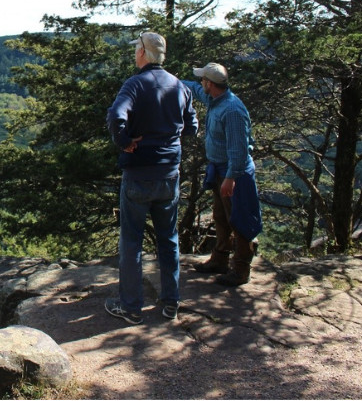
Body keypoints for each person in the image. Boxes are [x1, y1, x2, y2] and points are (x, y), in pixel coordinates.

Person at [105, 32, 198, 325]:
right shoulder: (180, 86)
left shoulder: (134, 84)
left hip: (139, 174)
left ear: (144, 53)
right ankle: (171, 302)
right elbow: (192, 127)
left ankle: (131, 307)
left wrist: (125, 142)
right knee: (168, 239)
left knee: (131, 242)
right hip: (169, 174)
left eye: (136, 49)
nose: (135, 54)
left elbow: (116, 116)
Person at [182, 63, 261, 287]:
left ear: (210, 83)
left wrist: (231, 177)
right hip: (220, 169)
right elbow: (194, 90)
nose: (200, 84)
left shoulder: (232, 110)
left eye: (202, 80)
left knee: (240, 220)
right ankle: (220, 259)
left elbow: (239, 149)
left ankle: (241, 270)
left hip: (233, 173)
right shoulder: (215, 100)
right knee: (221, 216)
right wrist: (168, 79)